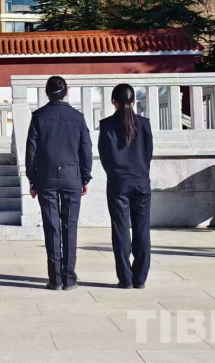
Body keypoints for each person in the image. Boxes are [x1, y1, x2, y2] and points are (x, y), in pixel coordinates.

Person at [25, 76, 92, 290]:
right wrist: (85, 177)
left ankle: (55, 279)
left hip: (47, 178)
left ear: (47, 93)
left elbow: (31, 152)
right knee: (70, 226)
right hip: (72, 177)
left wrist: (33, 180)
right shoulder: (78, 117)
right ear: (66, 92)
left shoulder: (38, 116)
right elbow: (86, 150)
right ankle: (69, 278)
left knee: (52, 227)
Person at [98, 83, 153, 289]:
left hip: (118, 183)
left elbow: (105, 156)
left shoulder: (107, 125)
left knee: (121, 231)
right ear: (134, 101)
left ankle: (126, 279)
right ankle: (140, 278)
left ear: (114, 102)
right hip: (141, 181)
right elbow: (148, 153)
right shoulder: (145, 124)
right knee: (142, 230)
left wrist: (115, 175)